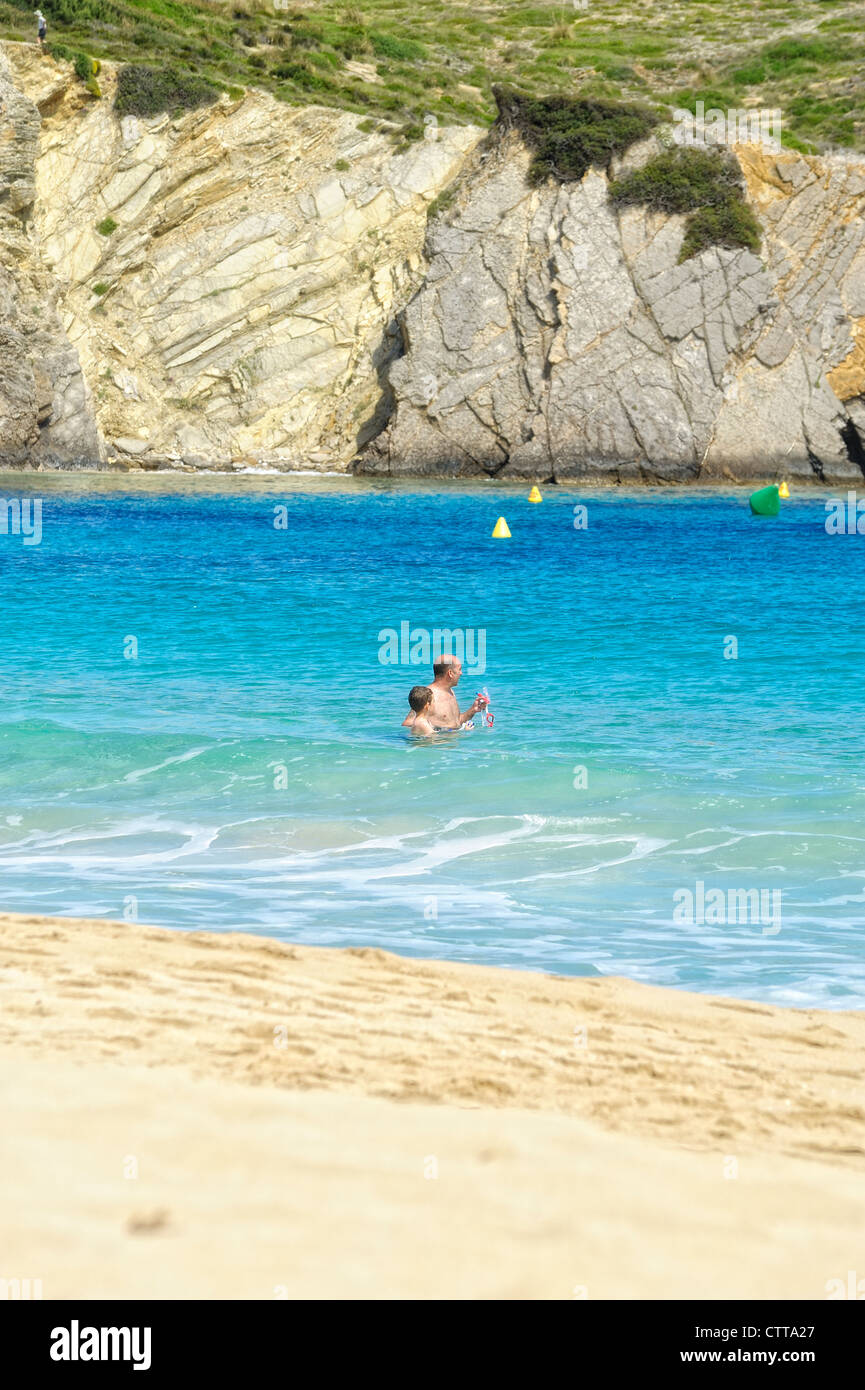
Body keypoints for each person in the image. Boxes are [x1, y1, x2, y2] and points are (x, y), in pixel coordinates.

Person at [402, 654, 486, 730]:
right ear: (450, 673)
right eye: (459, 669)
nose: (461, 673)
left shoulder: (451, 692)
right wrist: (435, 731)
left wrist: (473, 710)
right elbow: (408, 724)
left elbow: (455, 723)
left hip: (452, 745)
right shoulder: (428, 695)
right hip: (437, 745)